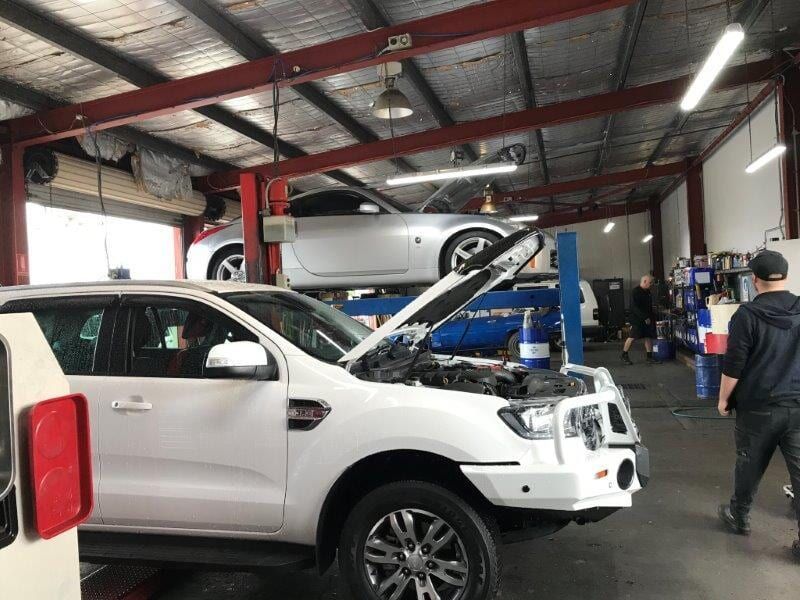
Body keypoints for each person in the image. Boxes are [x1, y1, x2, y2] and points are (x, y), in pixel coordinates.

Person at [716, 250, 800, 559]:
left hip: (758, 408)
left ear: (753, 280)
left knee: (749, 463)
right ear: (786, 277)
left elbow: (733, 365)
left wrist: (723, 399)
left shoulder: (747, 315)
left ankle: (740, 516)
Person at [621, 274, 660, 365]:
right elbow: (635, 308)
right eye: (650, 283)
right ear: (644, 281)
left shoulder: (647, 291)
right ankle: (624, 354)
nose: (651, 284)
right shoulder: (635, 292)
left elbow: (648, 306)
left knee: (648, 336)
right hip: (637, 319)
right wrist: (644, 317)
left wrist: (651, 316)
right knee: (632, 337)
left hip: (647, 318)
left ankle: (649, 357)